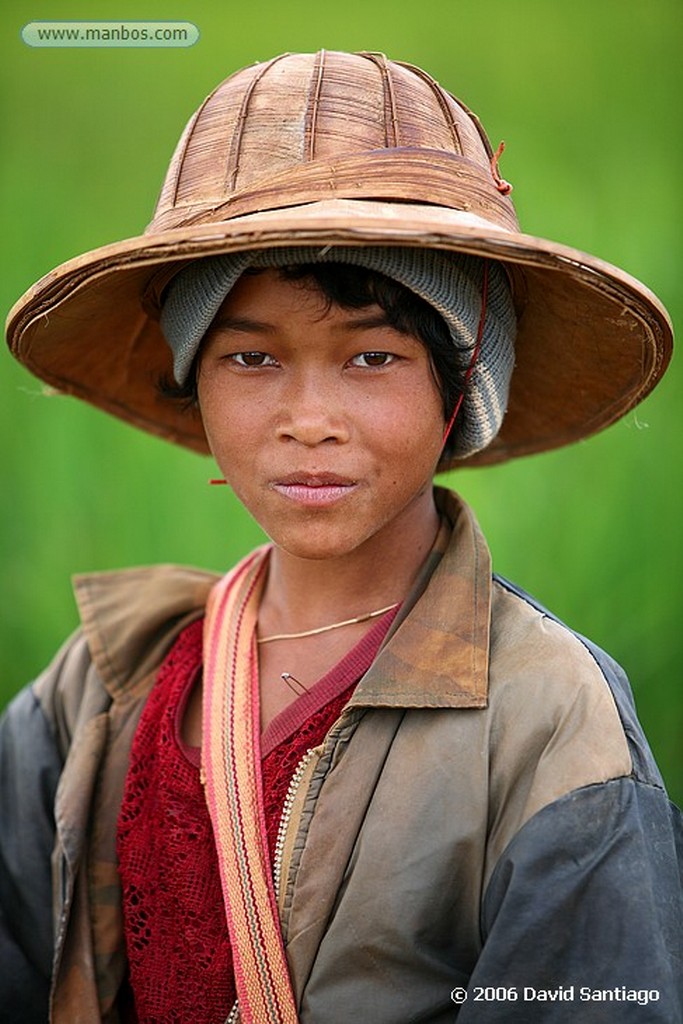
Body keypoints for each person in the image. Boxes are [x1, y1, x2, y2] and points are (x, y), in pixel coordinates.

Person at [1, 50, 681, 1024]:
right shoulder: (98, 689)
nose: (307, 416)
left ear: (459, 391)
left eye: (372, 355)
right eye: (249, 355)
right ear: (195, 385)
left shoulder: (544, 717)